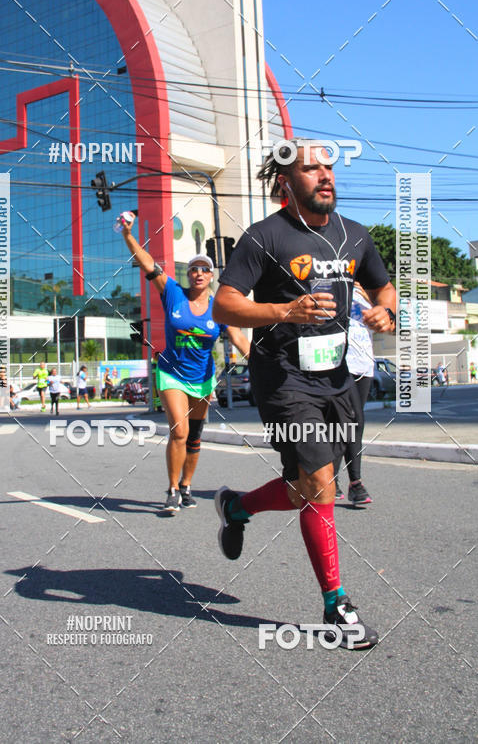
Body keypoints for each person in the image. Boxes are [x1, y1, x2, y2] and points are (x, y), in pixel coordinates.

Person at [212, 139, 396, 648]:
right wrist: (283, 313)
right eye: (312, 168)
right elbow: (225, 306)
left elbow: (383, 287)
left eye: (329, 167)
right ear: (286, 183)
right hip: (285, 378)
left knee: (305, 491)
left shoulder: (354, 236)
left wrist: (387, 312)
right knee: (321, 486)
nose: (325, 175)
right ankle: (337, 607)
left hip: (339, 377)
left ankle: (236, 508)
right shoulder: (264, 236)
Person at [120, 212, 250, 512]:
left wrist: (261, 364)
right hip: (170, 373)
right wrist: (128, 235)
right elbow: (148, 263)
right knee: (178, 431)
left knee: (194, 436)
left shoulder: (220, 307)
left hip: (202, 378)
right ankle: (173, 489)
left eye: (205, 269)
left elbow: (240, 340)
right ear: (188, 275)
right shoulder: (173, 294)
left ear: (211, 276)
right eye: (194, 269)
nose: (199, 273)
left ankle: (188, 485)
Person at [333, 282, 374, 506]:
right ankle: (356, 483)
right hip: (341, 363)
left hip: (365, 365)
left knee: (345, 425)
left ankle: (332, 479)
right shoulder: (334, 286)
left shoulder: (366, 293)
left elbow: (388, 324)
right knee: (354, 422)